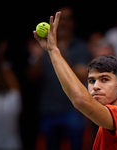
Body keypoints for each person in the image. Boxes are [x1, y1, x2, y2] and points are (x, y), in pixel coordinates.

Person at [33, 11, 117, 150]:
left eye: (104, 79)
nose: (96, 86)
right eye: (91, 81)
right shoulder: (103, 122)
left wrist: (53, 50)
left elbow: (80, 100)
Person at [37, 7, 89, 150]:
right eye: (61, 19)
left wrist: (59, 52)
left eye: (67, 19)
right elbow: (32, 76)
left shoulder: (81, 46)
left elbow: (83, 75)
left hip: (73, 109)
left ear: (73, 22)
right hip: (48, 109)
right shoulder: (43, 44)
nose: (64, 23)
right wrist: (37, 57)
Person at [0, 40, 22, 149]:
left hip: (11, 145)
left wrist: (1, 59)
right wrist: (2, 60)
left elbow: (14, 86)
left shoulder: (12, 98)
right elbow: (14, 85)